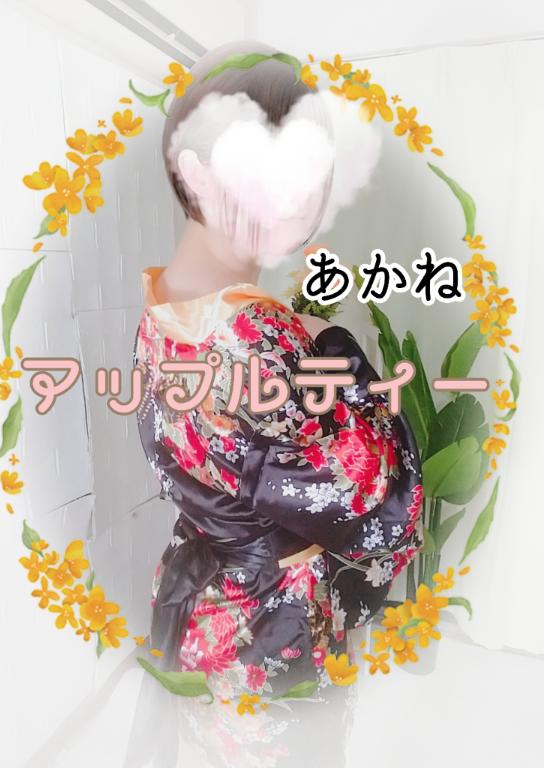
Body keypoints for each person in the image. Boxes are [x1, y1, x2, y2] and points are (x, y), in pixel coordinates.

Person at [130, 39, 424, 760]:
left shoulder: (162, 304)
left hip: (207, 606)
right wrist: (337, 350)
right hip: (269, 627)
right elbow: (381, 505)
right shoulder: (259, 337)